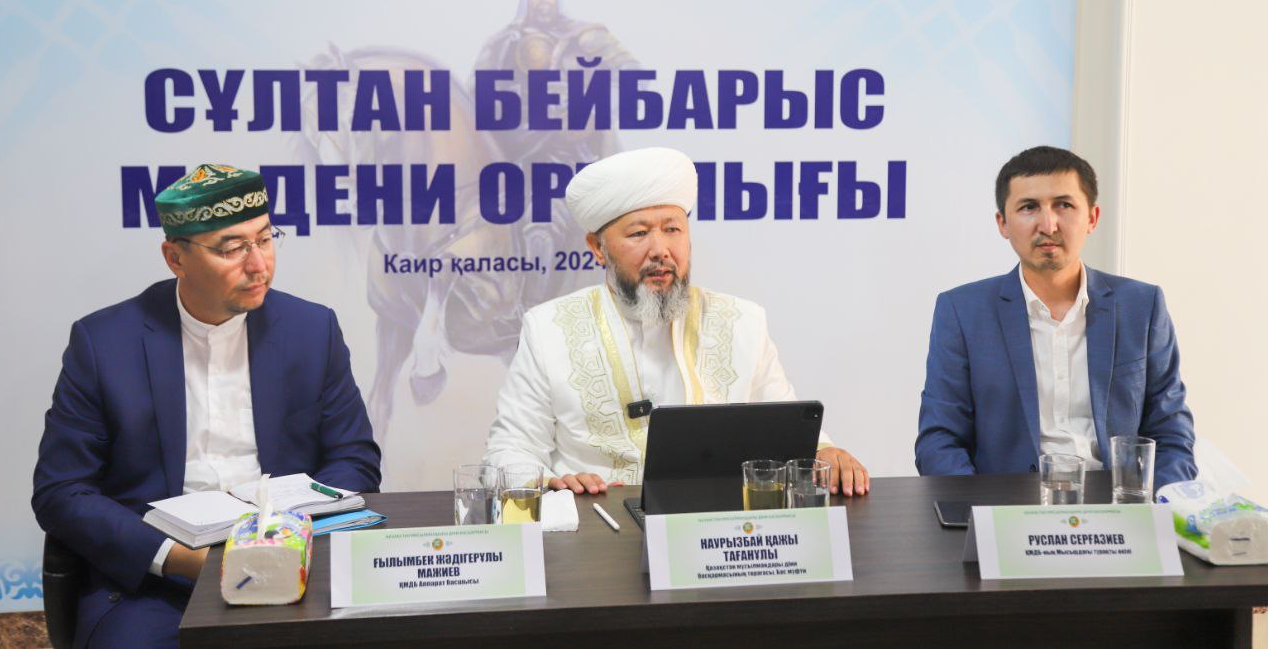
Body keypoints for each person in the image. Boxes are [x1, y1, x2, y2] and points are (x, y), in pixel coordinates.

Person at [32, 164, 381, 648]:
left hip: (291, 562)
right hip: (155, 581)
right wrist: (175, 557)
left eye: (265, 239)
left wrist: (287, 536)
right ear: (175, 257)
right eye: (232, 249)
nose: (258, 265)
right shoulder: (105, 343)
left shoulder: (311, 329)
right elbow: (62, 490)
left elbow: (355, 458)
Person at [483, 147, 869, 496]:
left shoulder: (742, 322)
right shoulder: (548, 329)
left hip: (718, 529)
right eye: (639, 233)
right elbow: (509, 449)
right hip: (598, 526)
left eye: (672, 230)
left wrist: (825, 450)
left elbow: (788, 427)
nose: (660, 250)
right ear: (597, 248)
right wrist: (549, 482)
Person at [915, 146, 1196, 486]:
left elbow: (1171, 432)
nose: (1048, 225)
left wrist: (1158, 506)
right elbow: (939, 440)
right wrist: (979, 509)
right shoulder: (962, 311)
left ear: (1092, 218)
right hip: (1006, 503)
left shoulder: (1142, 305)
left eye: (1064, 205)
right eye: (1029, 207)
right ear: (1003, 223)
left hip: (1118, 502)